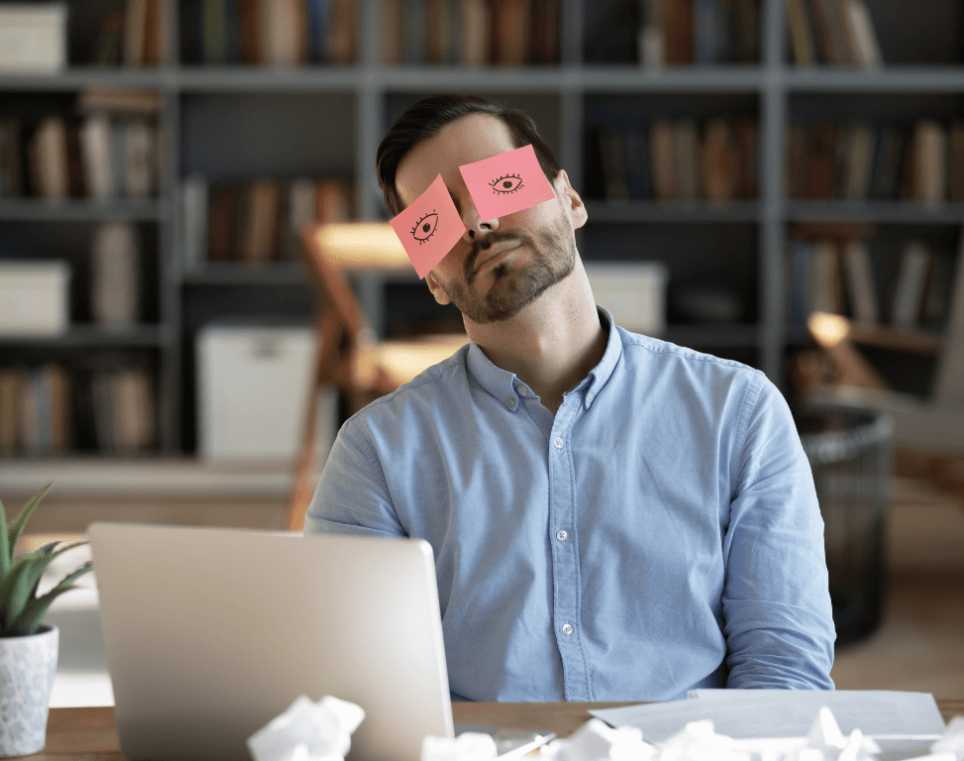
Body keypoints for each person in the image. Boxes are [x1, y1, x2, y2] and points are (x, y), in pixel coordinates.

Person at [304, 94, 836, 701]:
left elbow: (784, 673)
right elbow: (356, 691)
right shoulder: (375, 452)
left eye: (499, 183)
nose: (476, 222)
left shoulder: (740, 414)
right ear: (431, 278)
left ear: (569, 199)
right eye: (435, 221)